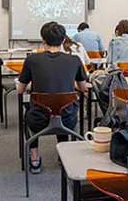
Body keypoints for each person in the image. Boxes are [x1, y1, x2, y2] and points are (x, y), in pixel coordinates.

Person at [17, 22, 89, 174]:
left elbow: (20, 89)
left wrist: (33, 86)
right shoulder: (74, 60)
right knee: (62, 106)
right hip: (67, 119)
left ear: (43, 40)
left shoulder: (32, 60)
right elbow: (83, 88)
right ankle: (63, 155)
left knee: (28, 113)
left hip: (39, 119)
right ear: (63, 40)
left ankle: (34, 159)